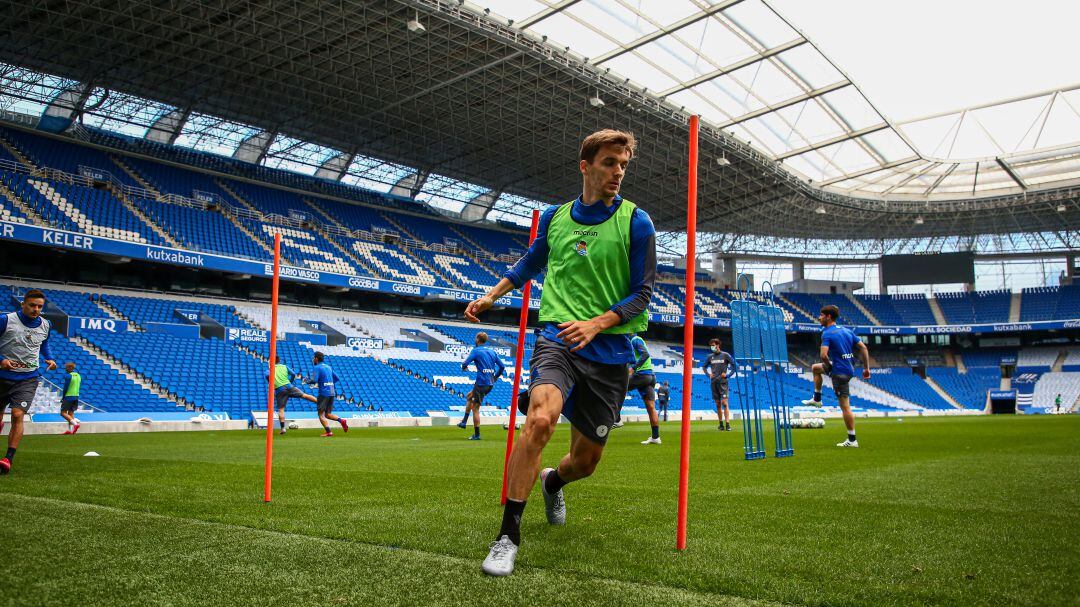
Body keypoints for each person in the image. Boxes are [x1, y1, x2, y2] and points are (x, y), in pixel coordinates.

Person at [464, 129, 655, 576]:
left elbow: (643, 294)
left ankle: (553, 482)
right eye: (610, 163)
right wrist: (493, 295)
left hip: (610, 352)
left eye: (624, 165)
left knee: (585, 463)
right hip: (558, 339)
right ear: (585, 166)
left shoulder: (637, 222)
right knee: (540, 419)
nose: (618, 172)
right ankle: (507, 535)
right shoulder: (555, 217)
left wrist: (598, 323)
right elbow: (531, 262)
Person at [0, 289, 57, 474]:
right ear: (23, 304)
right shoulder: (6, 320)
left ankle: (8, 458)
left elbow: (44, 343)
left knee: (17, 415)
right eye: (32, 305)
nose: (36, 309)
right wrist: (1, 359)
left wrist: (49, 358)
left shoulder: (46, 324)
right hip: (2, 376)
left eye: (40, 306)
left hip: (28, 377)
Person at [800, 305, 871, 447]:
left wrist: (830, 367)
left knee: (845, 407)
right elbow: (863, 347)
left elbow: (823, 355)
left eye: (821, 315)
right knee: (815, 368)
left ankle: (852, 440)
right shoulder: (846, 331)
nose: (819, 318)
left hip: (839, 372)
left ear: (829, 317)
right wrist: (866, 368)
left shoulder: (827, 333)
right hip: (848, 369)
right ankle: (817, 398)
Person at [458, 332, 506, 440]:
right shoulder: (492, 352)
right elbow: (502, 366)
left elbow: (465, 363)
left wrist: (464, 368)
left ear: (478, 339)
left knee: (475, 409)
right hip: (489, 383)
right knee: (469, 396)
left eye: (476, 338)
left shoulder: (476, 351)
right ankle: (464, 422)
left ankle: (477, 435)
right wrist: (495, 377)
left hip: (481, 383)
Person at [265, 355, 318, 434]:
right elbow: (293, 374)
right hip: (289, 386)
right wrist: (290, 381)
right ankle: (320, 402)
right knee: (304, 395)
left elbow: (267, 375)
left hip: (280, 389)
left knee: (281, 409)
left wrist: (271, 382)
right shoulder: (284, 366)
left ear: (271, 361)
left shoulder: (269, 369)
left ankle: (283, 428)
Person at [627, 334, 661, 445]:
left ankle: (616, 420)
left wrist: (633, 367)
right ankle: (655, 437)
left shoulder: (635, 340)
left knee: (618, 388)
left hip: (642, 375)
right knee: (651, 407)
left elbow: (645, 354)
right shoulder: (634, 343)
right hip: (650, 376)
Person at [311, 352, 348, 437]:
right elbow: (337, 378)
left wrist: (308, 381)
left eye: (314, 358)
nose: (313, 359)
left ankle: (329, 432)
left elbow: (314, 380)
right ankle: (341, 420)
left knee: (320, 414)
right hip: (331, 392)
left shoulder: (317, 367)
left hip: (323, 393)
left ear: (316, 358)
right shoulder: (328, 367)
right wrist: (329, 383)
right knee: (328, 414)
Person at [702, 338, 735, 431]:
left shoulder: (725, 355)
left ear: (718, 345)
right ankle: (721, 424)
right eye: (711, 346)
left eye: (713, 345)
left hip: (723, 383)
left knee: (724, 402)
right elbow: (704, 367)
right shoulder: (710, 356)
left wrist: (728, 375)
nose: (712, 347)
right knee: (717, 404)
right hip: (714, 383)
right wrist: (709, 374)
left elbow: (734, 366)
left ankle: (727, 424)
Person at [59, 362, 81, 435]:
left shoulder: (68, 376)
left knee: (63, 413)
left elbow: (66, 387)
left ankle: (75, 424)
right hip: (76, 396)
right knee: (71, 413)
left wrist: (63, 396)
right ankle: (71, 431)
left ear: (69, 368)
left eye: (66, 368)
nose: (65, 369)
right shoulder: (78, 375)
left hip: (69, 396)